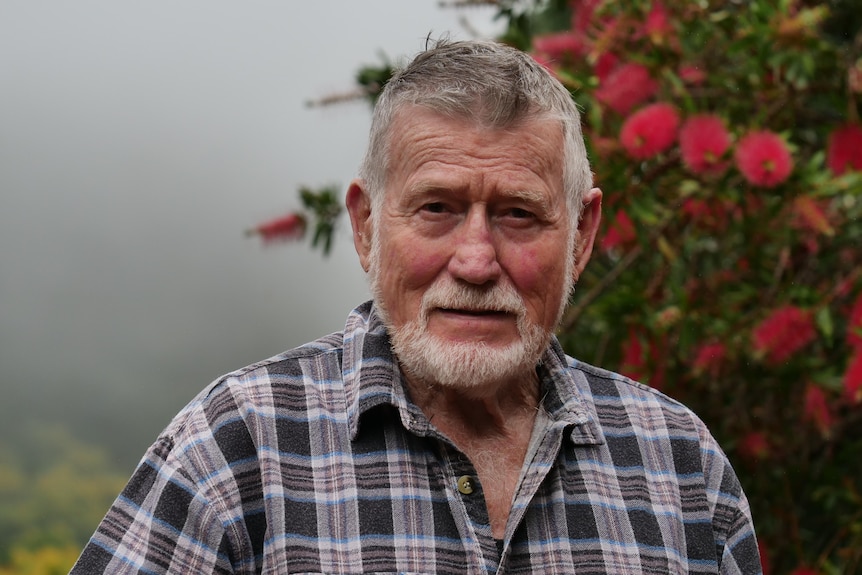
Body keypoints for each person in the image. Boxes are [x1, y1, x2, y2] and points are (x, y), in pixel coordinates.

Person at [70, 39, 761, 574]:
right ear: (366, 225)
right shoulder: (237, 447)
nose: (476, 260)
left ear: (581, 236)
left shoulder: (681, 467)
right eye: (437, 208)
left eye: (519, 214)